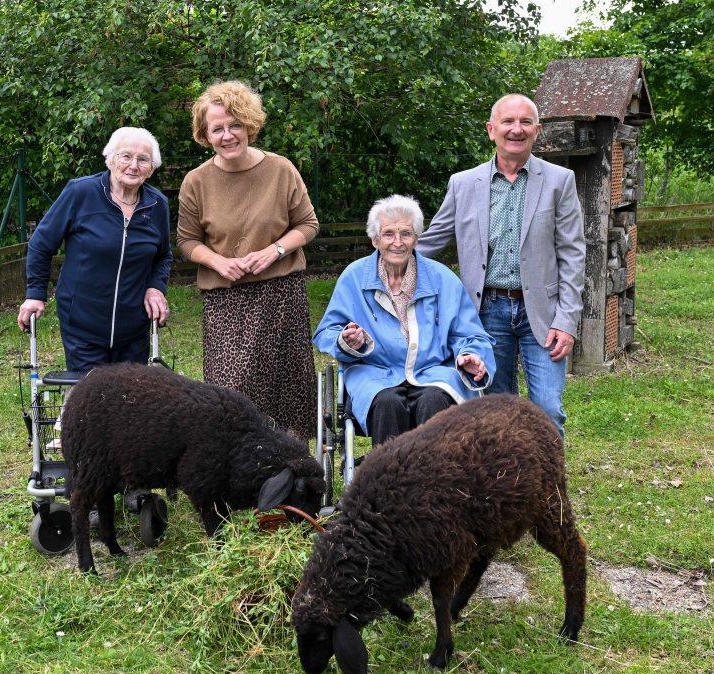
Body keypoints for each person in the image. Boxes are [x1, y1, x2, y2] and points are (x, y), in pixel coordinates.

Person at [418, 93, 585, 438]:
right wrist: (383, 262)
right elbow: (431, 241)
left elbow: (572, 254)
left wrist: (567, 321)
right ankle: (506, 488)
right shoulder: (463, 184)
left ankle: (549, 490)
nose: (516, 129)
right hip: (485, 312)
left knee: (548, 410)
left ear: (537, 131)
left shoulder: (559, 181)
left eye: (525, 122)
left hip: (543, 313)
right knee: (496, 410)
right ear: (491, 129)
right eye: (508, 122)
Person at [177, 80, 318, 439]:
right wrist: (218, 262)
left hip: (281, 295)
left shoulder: (281, 170)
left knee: (287, 391)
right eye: (217, 128)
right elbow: (187, 241)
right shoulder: (196, 182)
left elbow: (308, 224)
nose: (227, 135)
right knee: (231, 390)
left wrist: (275, 250)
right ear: (204, 134)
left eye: (235, 125)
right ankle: (236, 474)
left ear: (250, 125)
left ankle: (291, 473)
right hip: (227, 301)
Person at [313, 195, 495, 446]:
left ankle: (435, 477)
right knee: (388, 402)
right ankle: (389, 478)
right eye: (388, 234)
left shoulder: (442, 278)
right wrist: (347, 340)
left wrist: (469, 355)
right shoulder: (354, 277)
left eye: (406, 234)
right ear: (375, 239)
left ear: (417, 238)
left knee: (433, 399)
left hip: (432, 372)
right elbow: (327, 331)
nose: (397, 243)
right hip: (374, 374)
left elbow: (470, 334)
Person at [18, 127, 172, 371]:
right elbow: (41, 243)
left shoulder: (157, 205)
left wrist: (155, 288)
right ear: (110, 159)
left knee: (131, 398)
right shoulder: (81, 193)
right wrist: (35, 293)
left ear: (151, 168)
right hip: (83, 323)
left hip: (134, 327)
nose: (134, 165)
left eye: (143, 159)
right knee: (92, 397)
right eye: (126, 156)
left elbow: (163, 255)